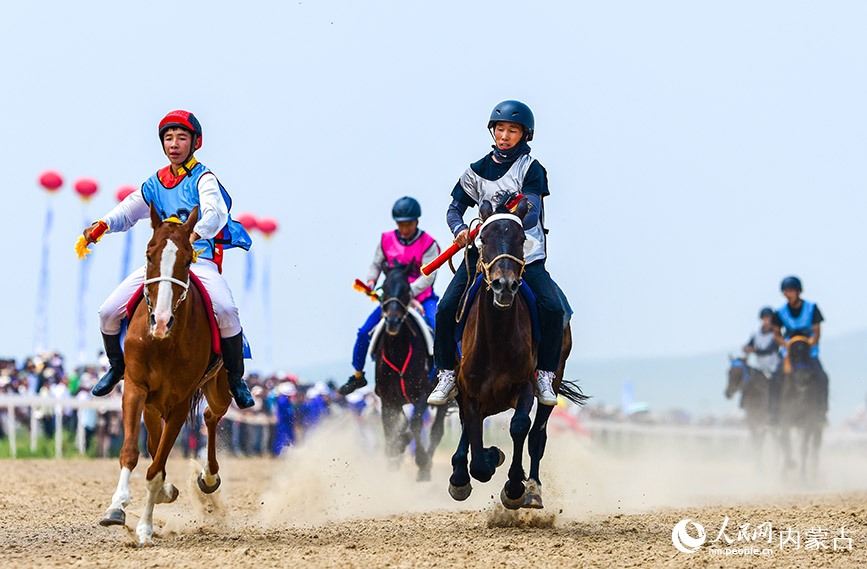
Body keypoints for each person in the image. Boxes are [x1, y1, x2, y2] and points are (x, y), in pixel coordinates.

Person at [83, 110, 255, 409]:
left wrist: (195, 233)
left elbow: (215, 212)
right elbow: (129, 209)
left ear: (195, 143)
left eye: (181, 138)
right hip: (163, 264)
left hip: (198, 261)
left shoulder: (204, 178)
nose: (174, 144)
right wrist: (103, 225)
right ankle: (116, 367)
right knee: (108, 312)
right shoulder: (155, 182)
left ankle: (236, 379)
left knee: (226, 309)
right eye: (168, 138)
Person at [428, 100, 564, 406]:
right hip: (482, 257)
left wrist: (504, 219)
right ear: (493, 130)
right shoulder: (475, 170)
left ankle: (544, 375)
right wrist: (459, 229)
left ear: (524, 135)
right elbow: (455, 208)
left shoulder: (531, 169)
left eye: (512, 130)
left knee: (553, 309)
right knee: (446, 307)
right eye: (500, 129)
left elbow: (531, 209)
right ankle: (447, 374)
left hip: (524, 257)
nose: (504, 135)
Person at [337, 197, 441, 395]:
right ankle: (358, 375)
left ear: (416, 222)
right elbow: (376, 264)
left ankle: (445, 377)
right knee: (363, 332)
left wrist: (408, 292)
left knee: (439, 328)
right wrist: (371, 281)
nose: (404, 228)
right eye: (401, 224)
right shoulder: (386, 240)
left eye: (408, 224)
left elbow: (428, 276)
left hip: (422, 298)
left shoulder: (429, 244)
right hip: (393, 299)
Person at [769, 275, 829, 421]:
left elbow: (817, 333)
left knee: (822, 378)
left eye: (790, 291)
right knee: (775, 378)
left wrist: (806, 344)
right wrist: (788, 344)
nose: (787, 295)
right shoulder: (780, 312)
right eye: (785, 292)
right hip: (789, 354)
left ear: (798, 291)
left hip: (809, 353)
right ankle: (774, 414)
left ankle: (822, 413)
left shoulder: (812, 308)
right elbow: (776, 335)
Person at [743, 307, 782, 377]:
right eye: (765, 318)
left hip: (774, 367)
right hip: (759, 367)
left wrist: (756, 350)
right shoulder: (756, 333)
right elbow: (748, 345)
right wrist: (747, 348)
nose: (767, 321)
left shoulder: (776, 334)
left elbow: (771, 349)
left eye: (769, 318)